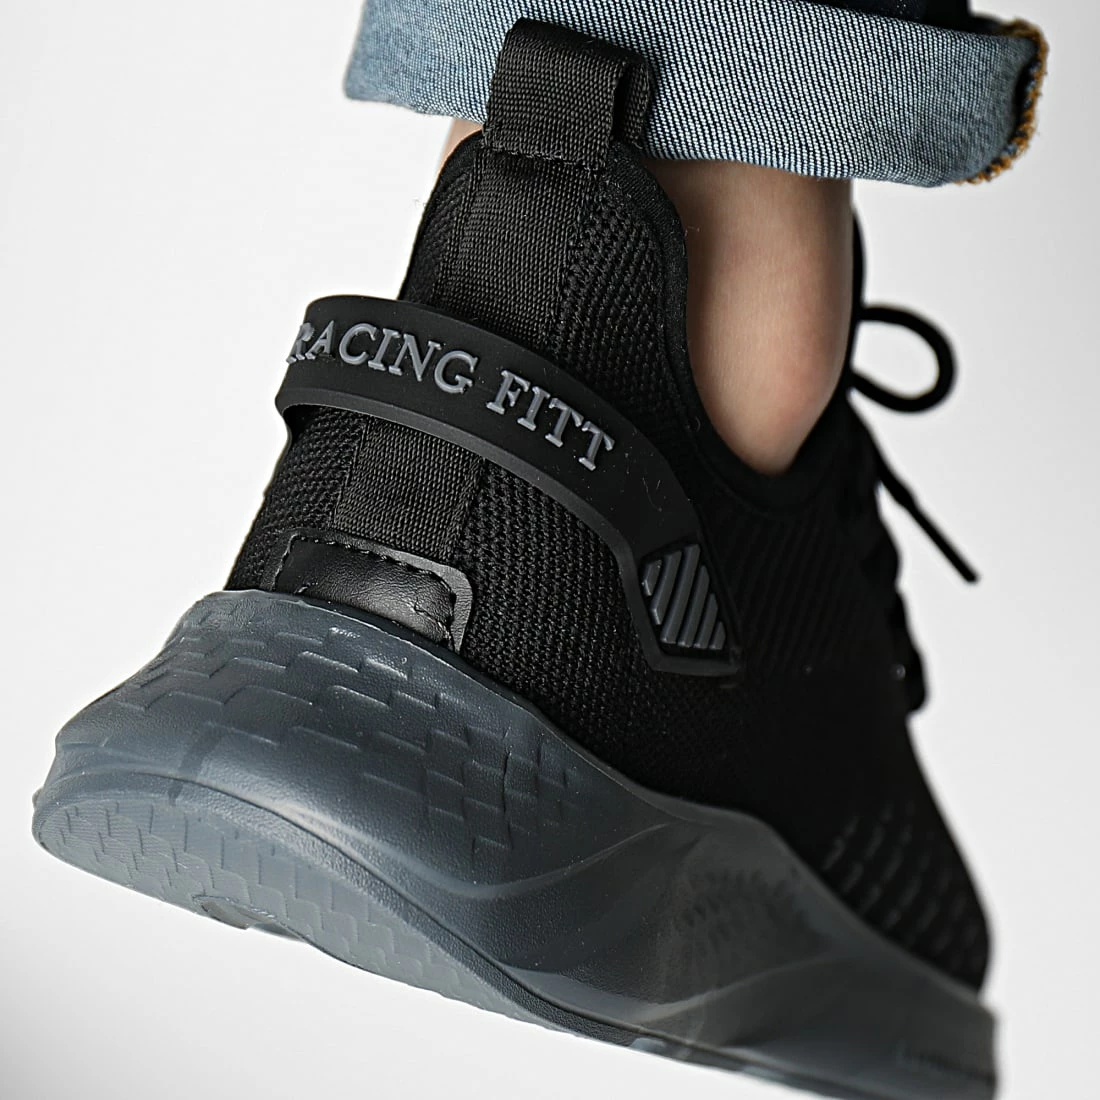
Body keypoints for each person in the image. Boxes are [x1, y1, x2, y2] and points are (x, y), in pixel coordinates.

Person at [32, 4, 1045, 1098]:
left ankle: (426, 475)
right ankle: (621, 481)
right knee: (691, 161)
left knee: (557, 90)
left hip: (355, 498)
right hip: (620, 580)